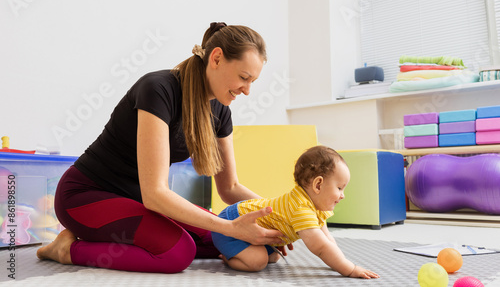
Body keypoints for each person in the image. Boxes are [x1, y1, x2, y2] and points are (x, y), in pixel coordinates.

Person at [37, 22, 287, 273]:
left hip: (139, 203)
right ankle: (66, 250)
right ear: (217, 58)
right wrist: (231, 227)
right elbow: (155, 194)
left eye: (252, 81)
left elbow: (230, 187)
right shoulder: (158, 89)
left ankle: (113, 237)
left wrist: (283, 216)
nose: (247, 90)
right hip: (86, 196)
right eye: (244, 78)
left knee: (256, 246)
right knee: (178, 252)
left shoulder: (221, 111)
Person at [211, 145, 380, 279]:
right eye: (340, 188)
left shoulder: (315, 207)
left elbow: (328, 241)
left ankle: (237, 253)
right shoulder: (301, 208)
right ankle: (227, 257)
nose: (343, 195)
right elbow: (320, 247)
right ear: (318, 185)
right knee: (257, 262)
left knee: (274, 258)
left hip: (246, 223)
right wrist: (349, 269)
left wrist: (338, 260)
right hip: (230, 225)